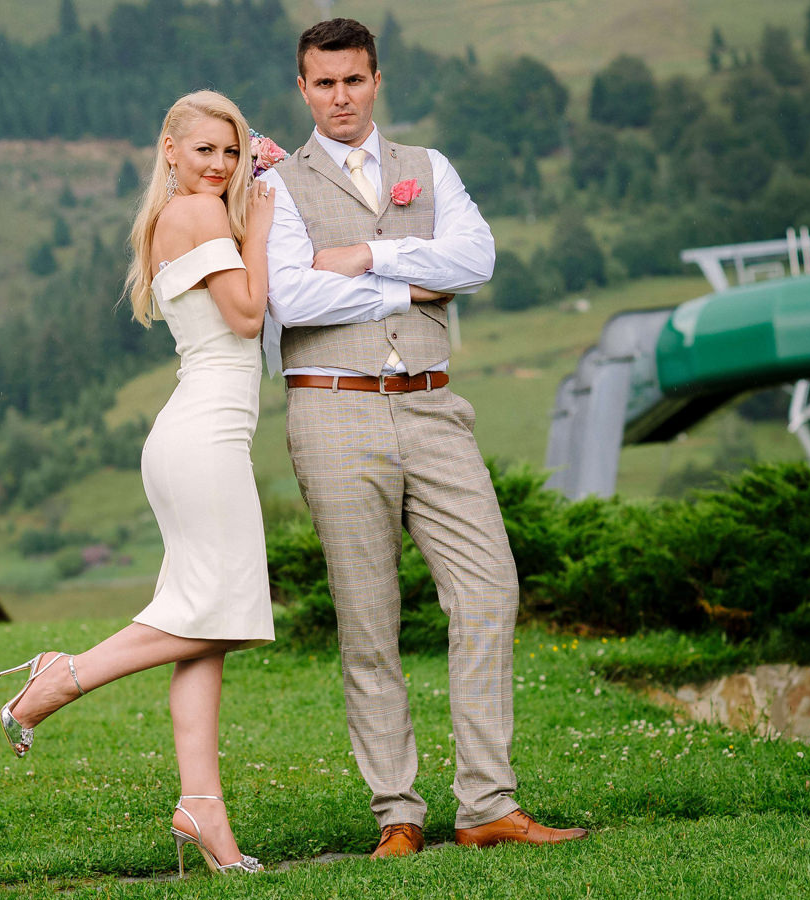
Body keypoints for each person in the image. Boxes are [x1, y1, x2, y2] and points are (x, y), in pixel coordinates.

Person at [258, 18, 588, 857]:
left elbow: (474, 261)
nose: (340, 97)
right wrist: (411, 283)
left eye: (354, 80)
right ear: (303, 89)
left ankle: (486, 804)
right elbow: (293, 297)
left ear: (376, 80)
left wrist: (364, 255)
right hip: (332, 408)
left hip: (435, 407)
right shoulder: (275, 188)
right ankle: (397, 815)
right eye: (324, 83)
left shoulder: (428, 167)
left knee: (489, 589)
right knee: (368, 618)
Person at [0, 90, 275, 878]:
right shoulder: (200, 212)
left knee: (210, 628)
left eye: (233, 152)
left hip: (198, 436)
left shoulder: (179, 214)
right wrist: (261, 228)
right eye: (206, 150)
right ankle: (62, 677)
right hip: (204, 439)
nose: (220, 165)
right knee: (216, 613)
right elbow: (248, 316)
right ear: (170, 150)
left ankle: (202, 808)